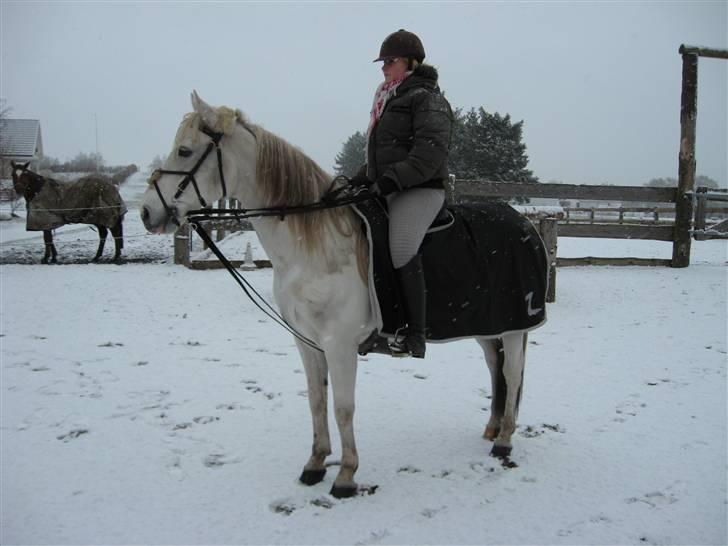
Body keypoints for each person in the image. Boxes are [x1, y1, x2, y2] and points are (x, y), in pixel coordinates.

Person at [352, 29, 453, 358]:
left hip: (420, 189)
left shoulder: (427, 99)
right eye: (382, 62)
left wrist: (391, 180)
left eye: (390, 61)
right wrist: (359, 180)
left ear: (411, 63)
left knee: (400, 246)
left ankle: (414, 332)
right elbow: (378, 156)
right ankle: (373, 322)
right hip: (390, 187)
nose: (383, 67)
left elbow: (429, 153)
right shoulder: (386, 99)